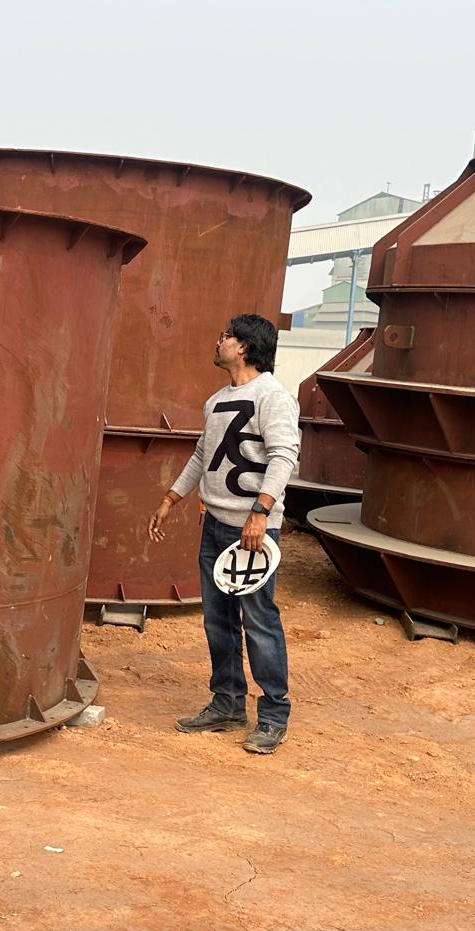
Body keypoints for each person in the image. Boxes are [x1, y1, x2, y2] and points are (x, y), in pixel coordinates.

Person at [148, 313, 300, 755]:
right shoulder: (216, 401)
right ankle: (228, 703)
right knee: (218, 620)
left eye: (226, 336)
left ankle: (273, 715)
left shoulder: (273, 397)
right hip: (215, 527)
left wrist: (260, 513)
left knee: (259, 620)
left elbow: (284, 456)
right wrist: (172, 498)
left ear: (245, 347)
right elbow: (203, 455)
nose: (219, 341)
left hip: (253, 531)